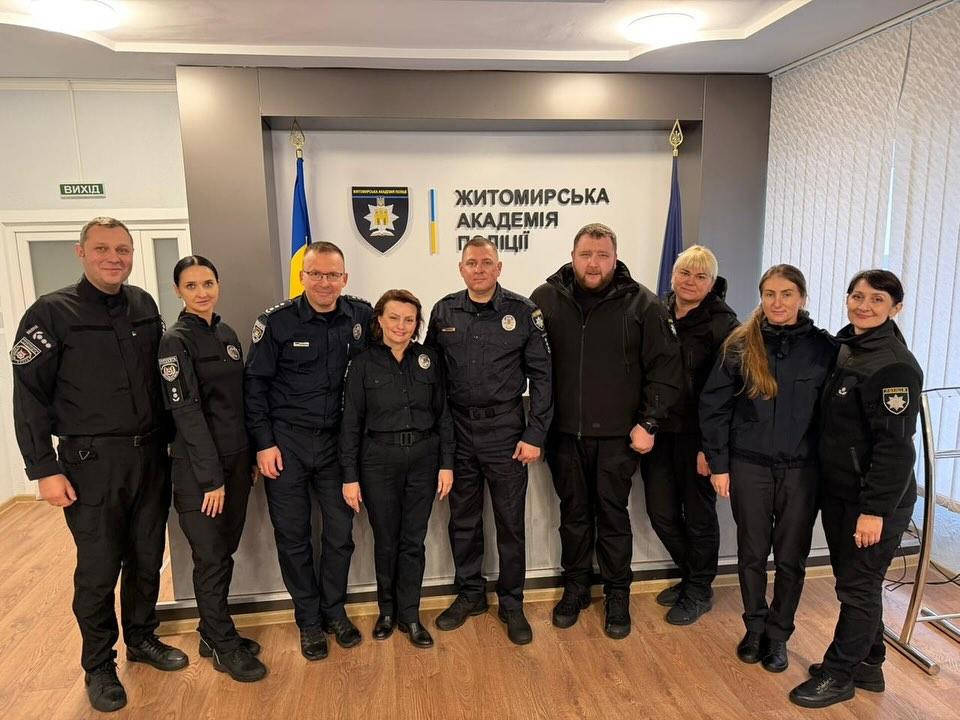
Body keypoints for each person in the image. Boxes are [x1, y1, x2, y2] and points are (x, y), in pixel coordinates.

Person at [10, 217, 186, 713]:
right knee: (99, 566)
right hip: (90, 462)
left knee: (147, 557)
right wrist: (43, 468)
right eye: (103, 249)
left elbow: (160, 381)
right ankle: (99, 664)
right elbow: (29, 396)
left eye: (122, 249)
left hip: (150, 455)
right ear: (81, 252)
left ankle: (142, 638)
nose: (115, 258)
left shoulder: (143, 305)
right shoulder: (50, 313)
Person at [530, 222, 682, 639]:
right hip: (564, 436)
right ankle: (576, 588)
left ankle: (617, 595)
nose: (593, 263)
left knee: (613, 519)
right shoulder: (545, 299)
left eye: (602, 255)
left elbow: (666, 370)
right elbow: (529, 366)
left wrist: (649, 422)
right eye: (586, 254)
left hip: (619, 438)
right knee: (573, 517)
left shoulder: (643, 305)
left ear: (615, 258)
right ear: (572, 256)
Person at [790, 270, 923, 709]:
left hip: (875, 501)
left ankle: (839, 673)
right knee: (854, 581)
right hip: (843, 492)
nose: (864, 306)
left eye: (877, 299)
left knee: (858, 587)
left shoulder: (893, 365)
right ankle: (869, 662)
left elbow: (895, 448)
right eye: (857, 296)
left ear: (895, 308)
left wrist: (875, 510)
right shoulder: (850, 347)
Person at [700, 264, 835, 673]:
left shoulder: (825, 349)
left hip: (802, 471)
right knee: (752, 554)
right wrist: (719, 465)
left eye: (787, 294)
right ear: (761, 297)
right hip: (749, 467)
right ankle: (755, 627)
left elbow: (836, 416)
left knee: (791, 559)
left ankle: (778, 635)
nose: (778, 302)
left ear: (802, 298)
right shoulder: (740, 345)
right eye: (770, 294)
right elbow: (714, 408)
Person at [244, 241, 372, 660]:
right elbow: (255, 386)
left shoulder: (361, 316)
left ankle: (334, 611)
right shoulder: (276, 322)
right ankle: (309, 621)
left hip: (338, 444)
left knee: (339, 534)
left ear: (344, 278)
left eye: (332, 275)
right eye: (315, 274)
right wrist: (263, 443)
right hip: (287, 444)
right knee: (293, 536)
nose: (324, 282)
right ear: (302, 277)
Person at [425, 236, 553, 645]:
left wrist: (535, 433)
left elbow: (543, 376)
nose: (479, 270)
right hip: (459, 431)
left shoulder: (523, 312)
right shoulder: (444, 311)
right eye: (471, 263)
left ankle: (512, 603)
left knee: (510, 523)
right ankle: (470, 595)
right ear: (460, 269)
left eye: (486, 263)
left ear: (499, 268)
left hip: (506, 432)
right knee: (463, 521)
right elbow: (431, 375)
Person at [157, 256, 266, 682]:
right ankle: (222, 643)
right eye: (191, 285)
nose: (201, 292)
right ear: (178, 291)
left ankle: (211, 630)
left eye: (208, 283)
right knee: (211, 557)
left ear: (218, 285)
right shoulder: (175, 341)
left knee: (224, 551)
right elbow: (186, 413)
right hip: (201, 473)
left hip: (236, 463)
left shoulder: (226, 334)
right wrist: (211, 479)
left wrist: (249, 457)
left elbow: (239, 402)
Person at [340, 289, 455, 649]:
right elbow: (351, 423)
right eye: (394, 318)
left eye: (409, 319)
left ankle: (410, 615)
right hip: (378, 461)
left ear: (417, 324)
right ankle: (387, 612)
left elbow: (443, 415)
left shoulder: (429, 359)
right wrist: (349, 476)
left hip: (424, 459)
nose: (401, 326)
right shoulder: (362, 363)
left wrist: (446, 464)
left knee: (413, 541)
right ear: (379, 320)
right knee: (386, 540)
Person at [640, 245, 738, 625]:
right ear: (673, 275)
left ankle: (698, 589)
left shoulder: (724, 325)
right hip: (659, 432)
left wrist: (711, 449)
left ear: (711, 283)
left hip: (698, 438)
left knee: (698, 517)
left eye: (700, 276)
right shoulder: (656, 312)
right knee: (660, 512)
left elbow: (726, 393)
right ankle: (691, 575)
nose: (690, 282)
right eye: (684, 273)